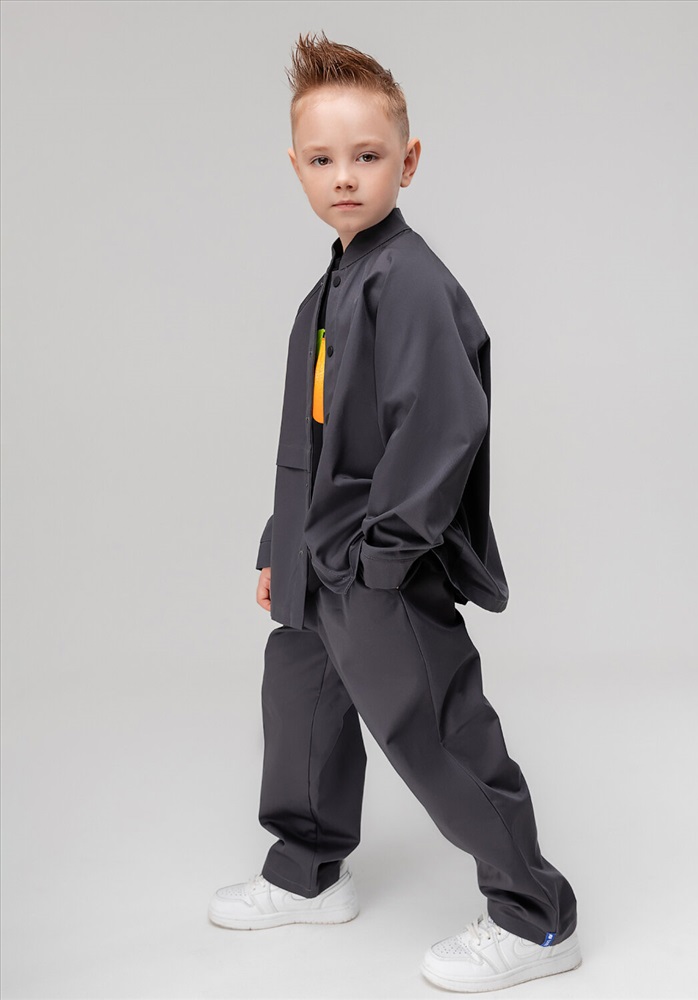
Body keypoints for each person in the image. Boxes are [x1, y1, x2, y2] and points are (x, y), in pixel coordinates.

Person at [208, 31, 582, 993]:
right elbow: (307, 436)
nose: (344, 177)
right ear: (295, 167)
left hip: (376, 562)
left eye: (367, 156)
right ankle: (306, 871)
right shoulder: (330, 286)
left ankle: (535, 918)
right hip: (320, 559)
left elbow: (444, 423)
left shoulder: (407, 279)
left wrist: (384, 558)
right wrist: (280, 546)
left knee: (436, 728)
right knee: (300, 704)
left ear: (406, 162)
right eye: (322, 159)